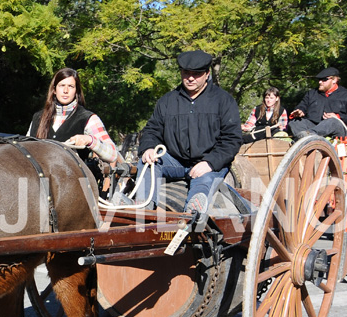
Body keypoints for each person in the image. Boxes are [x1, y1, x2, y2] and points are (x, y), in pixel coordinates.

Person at [135, 50, 242, 209]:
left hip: (208, 163)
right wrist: (149, 148)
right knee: (148, 164)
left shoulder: (224, 100)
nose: (190, 78)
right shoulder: (168, 101)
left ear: (207, 74)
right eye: (186, 73)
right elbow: (152, 129)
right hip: (175, 161)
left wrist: (210, 163)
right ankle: (144, 205)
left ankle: (194, 210)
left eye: (196, 74)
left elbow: (232, 139)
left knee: (203, 181)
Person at [28, 68, 119, 177]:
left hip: (74, 185)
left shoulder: (88, 118)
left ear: (76, 91)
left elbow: (113, 154)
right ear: (54, 90)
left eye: (70, 86)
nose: (66, 90)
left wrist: (90, 140)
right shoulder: (38, 118)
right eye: (62, 85)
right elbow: (25, 154)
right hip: (37, 183)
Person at [288, 67, 347, 139]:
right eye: (319, 79)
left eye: (324, 79)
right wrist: (300, 111)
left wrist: (338, 117)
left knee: (332, 121)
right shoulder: (311, 93)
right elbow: (302, 106)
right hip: (313, 126)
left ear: (334, 80)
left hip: (335, 130)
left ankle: (308, 138)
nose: (320, 82)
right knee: (295, 121)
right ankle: (309, 139)